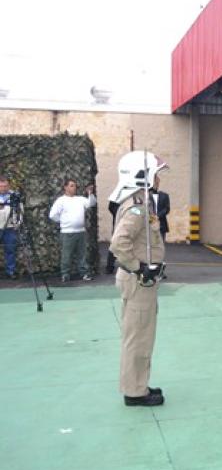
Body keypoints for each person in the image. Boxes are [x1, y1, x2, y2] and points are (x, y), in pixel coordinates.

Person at [109, 150, 168, 407]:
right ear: (142, 176)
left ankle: (137, 384)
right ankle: (135, 392)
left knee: (139, 334)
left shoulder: (142, 202)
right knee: (139, 337)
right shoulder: (137, 207)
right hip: (138, 282)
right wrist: (139, 267)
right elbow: (118, 243)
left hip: (139, 281)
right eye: (155, 174)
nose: (159, 179)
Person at [49, 178, 97, 283]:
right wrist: (63, 221)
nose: (74, 188)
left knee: (82, 255)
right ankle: (65, 274)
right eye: (71, 185)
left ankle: (84, 273)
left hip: (80, 232)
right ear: (65, 187)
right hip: (67, 233)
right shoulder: (61, 201)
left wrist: (90, 193)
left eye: (75, 186)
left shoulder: (80, 199)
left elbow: (91, 203)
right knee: (66, 255)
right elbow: (52, 215)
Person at [0, 175, 19, 279]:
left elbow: (20, 210)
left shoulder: (14, 195)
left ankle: (10, 271)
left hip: (10, 227)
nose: (3, 188)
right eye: (1, 186)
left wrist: (17, 223)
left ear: (9, 185)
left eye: (5, 186)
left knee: (10, 250)